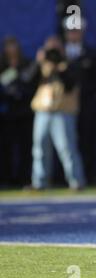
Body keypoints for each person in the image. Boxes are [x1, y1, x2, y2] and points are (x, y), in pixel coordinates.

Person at [29, 35, 85, 190]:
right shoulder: (42, 66)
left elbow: (70, 84)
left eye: (56, 49)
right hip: (43, 111)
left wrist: (59, 67)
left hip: (63, 111)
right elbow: (27, 81)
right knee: (39, 148)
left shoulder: (69, 63)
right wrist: (39, 62)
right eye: (50, 49)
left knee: (67, 148)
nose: (53, 53)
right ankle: (39, 182)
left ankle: (76, 182)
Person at [63, 17, 96, 184]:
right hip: (64, 105)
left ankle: (89, 175)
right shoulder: (60, 53)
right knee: (66, 141)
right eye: (71, 31)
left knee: (88, 139)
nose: (74, 34)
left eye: (77, 31)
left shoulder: (91, 53)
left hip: (86, 104)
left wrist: (94, 98)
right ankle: (65, 177)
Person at [0, 36, 36, 187]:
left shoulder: (27, 64)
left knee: (25, 147)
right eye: (9, 46)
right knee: (5, 148)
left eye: (14, 45)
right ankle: (6, 178)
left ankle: (24, 178)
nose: (12, 49)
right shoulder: (2, 66)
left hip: (25, 112)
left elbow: (31, 84)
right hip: (6, 113)